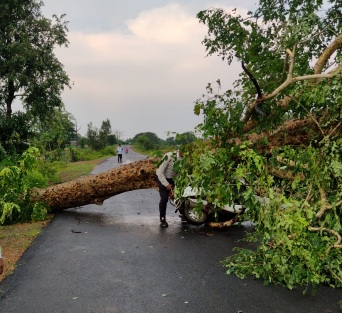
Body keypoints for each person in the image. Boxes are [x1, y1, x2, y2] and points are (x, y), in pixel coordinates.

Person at [156, 150, 182, 227]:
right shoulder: (169, 156)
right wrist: (166, 184)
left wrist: (176, 184)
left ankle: (184, 216)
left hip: (173, 179)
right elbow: (159, 172)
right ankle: (162, 219)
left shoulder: (185, 158)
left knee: (179, 197)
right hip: (162, 177)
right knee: (164, 199)